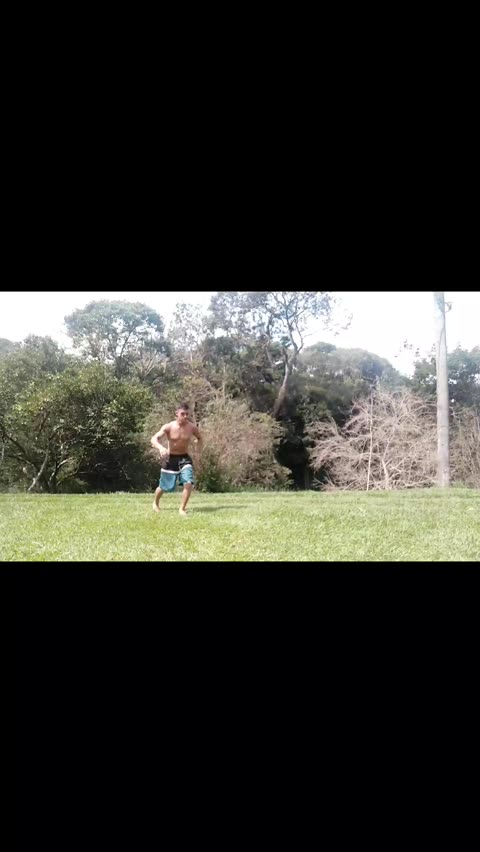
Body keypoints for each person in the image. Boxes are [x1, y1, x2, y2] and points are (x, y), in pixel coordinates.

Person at [150, 402, 203, 516]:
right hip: (170, 459)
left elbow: (199, 438)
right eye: (182, 414)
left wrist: (198, 447)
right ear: (176, 414)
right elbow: (154, 439)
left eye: (187, 414)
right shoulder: (168, 427)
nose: (185, 416)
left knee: (188, 482)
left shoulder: (192, 427)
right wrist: (160, 448)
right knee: (165, 486)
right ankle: (155, 503)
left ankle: (182, 509)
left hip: (185, 458)